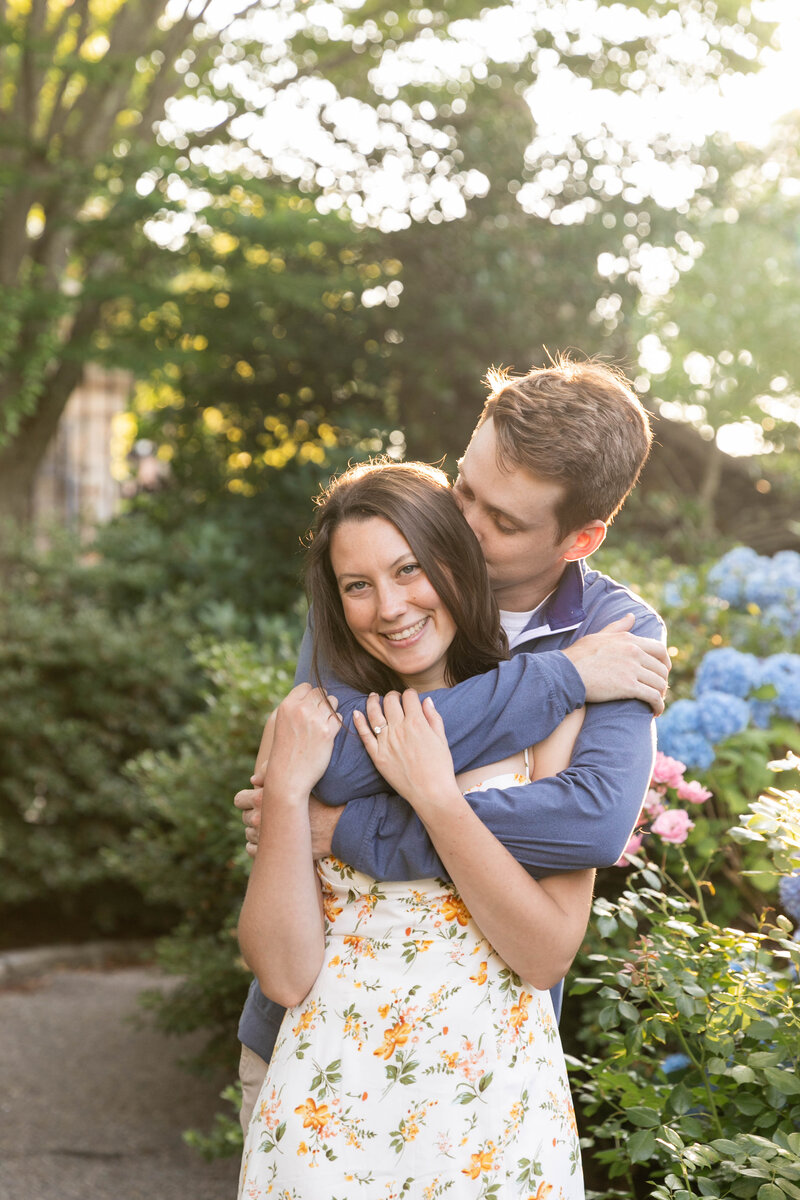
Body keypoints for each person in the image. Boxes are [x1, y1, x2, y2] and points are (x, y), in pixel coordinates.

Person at [236, 354, 669, 1130]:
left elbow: (590, 823)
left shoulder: (616, 635)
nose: (459, 526)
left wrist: (349, 830)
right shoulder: (381, 567)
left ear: (582, 537)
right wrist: (559, 682)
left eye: (502, 521)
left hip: (480, 1074)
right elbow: (332, 762)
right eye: (464, 486)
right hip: (308, 1048)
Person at [238, 460, 591, 1197]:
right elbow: (282, 972)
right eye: (357, 586)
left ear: (455, 562)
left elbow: (545, 956)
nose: (390, 607)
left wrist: (435, 796)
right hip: (330, 1103)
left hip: (494, 1110)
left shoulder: (551, 721)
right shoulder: (309, 724)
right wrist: (288, 795)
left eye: (410, 569)